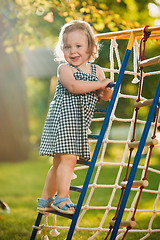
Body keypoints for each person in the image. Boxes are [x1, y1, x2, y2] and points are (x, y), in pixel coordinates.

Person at [37, 20, 113, 215]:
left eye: (78, 46)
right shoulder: (65, 69)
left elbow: (104, 96)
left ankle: (45, 199)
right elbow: (74, 87)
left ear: (90, 47)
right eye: (67, 47)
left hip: (79, 123)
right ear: (61, 50)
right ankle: (62, 198)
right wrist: (99, 84)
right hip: (63, 119)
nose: (73, 51)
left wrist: (107, 88)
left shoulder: (97, 71)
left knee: (59, 162)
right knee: (69, 159)